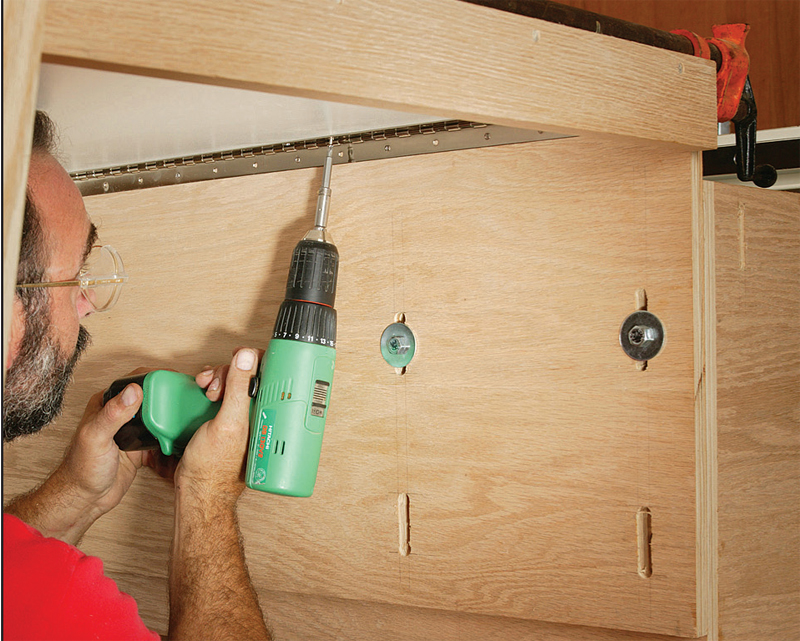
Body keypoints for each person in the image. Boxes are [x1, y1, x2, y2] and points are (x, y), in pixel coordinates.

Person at [3, 111, 271, 641]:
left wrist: (81, 491)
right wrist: (207, 496)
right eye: (75, 278)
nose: (87, 304)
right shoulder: (61, 601)